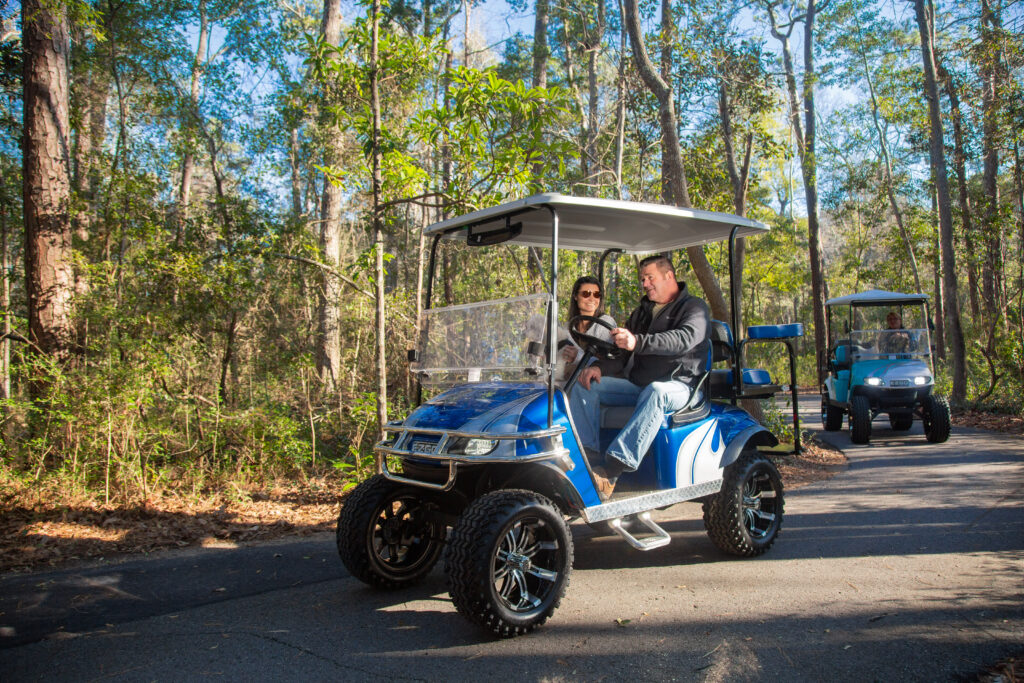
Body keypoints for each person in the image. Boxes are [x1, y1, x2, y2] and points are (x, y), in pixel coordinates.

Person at [569, 254, 710, 500]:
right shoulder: (642, 312)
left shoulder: (693, 307)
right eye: (642, 279)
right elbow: (623, 354)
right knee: (584, 384)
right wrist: (600, 368)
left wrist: (638, 341)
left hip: (682, 386)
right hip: (639, 385)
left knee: (656, 391)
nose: (645, 284)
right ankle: (587, 460)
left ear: (669, 276)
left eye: (650, 278)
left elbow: (683, 339)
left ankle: (611, 471)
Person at [559, 276, 616, 380]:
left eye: (596, 294)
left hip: (599, 380)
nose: (592, 299)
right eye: (586, 294)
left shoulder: (605, 323)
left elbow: (607, 363)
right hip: (572, 378)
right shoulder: (568, 326)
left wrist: (578, 357)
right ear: (575, 296)